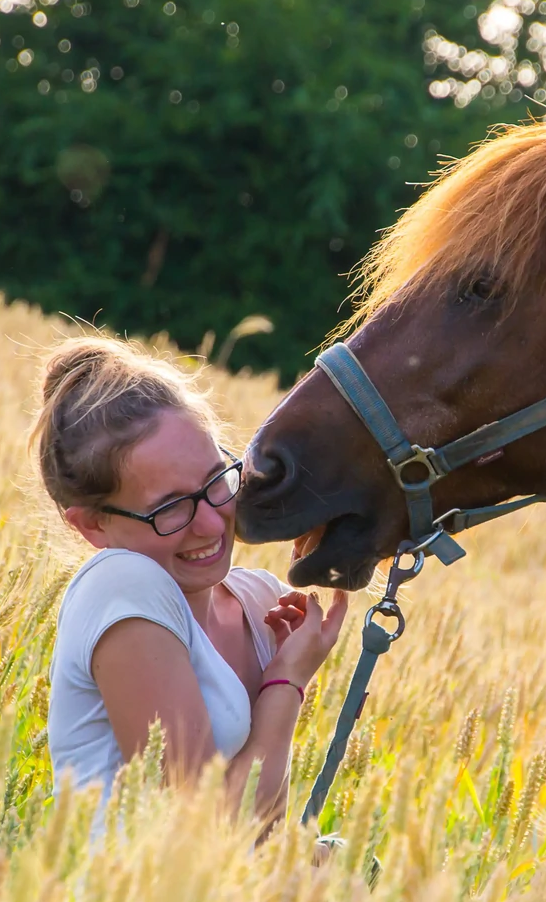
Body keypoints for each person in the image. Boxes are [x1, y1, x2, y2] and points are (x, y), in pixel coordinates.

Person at [31, 335, 348, 828]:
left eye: (215, 481)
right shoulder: (120, 586)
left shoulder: (260, 602)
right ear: (93, 526)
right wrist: (287, 682)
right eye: (171, 508)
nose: (210, 523)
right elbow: (203, 833)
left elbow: (257, 836)